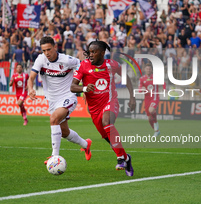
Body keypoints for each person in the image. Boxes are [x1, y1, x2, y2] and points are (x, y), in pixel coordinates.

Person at [70, 41, 136, 177]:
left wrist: (132, 97)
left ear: (102, 53)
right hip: (94, 109)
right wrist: (83, 88)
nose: (91, 55)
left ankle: (120, 159)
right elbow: (72, 86)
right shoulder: (83, 65)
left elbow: (126, 77)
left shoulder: (112, 65)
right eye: (89, 52)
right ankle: (126, 158)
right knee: (108, 138)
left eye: (94, 52)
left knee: (107, 122)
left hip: (110, 101)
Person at [27, 36, 92, 164]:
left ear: (55, 47)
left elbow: (83, 68)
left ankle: (54, 157)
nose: (47, 53)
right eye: (44, 50)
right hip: (52, 100)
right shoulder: (41, 60)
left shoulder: (67, 60)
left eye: (49, 50)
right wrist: (30, 88)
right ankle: (86, 145)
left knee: (54, 119)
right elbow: (31, 78)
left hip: (68, 96)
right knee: (64, 132)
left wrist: (84, 88)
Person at [138, 63, 164, 137]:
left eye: (149, 69)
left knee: (151, 110)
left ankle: (156, 124)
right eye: (147, 69)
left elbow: (164, 83)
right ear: (145, 69)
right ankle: (156, 131)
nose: (148, 70)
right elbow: (139, 89)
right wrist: (141, 89)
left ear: (152, 70)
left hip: (154, 97)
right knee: (149, 119)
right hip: (147, 99)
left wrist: (164, 88)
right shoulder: (142, 79)